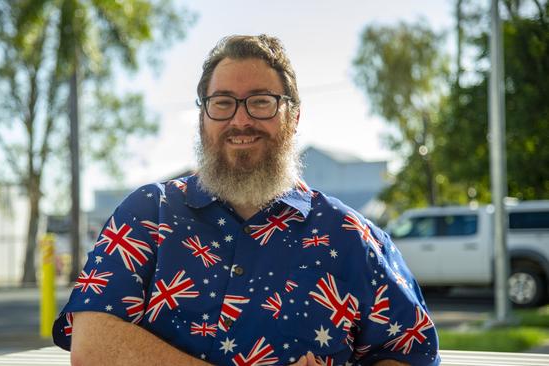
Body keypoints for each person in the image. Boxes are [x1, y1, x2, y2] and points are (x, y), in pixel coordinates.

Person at [52, 34, 440, 366]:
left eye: (261, 101)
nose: (240, 120)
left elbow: (413, 353)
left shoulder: (352, 237)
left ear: (294, 116)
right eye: (222, 102)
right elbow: (92, 344)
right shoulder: (148, 214)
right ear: (203, 117)